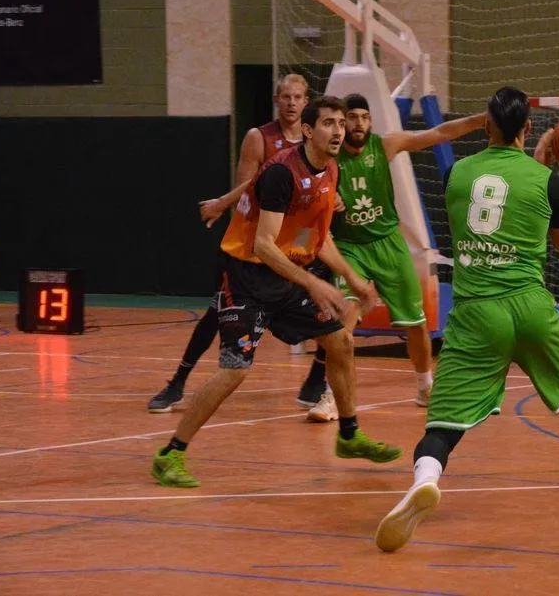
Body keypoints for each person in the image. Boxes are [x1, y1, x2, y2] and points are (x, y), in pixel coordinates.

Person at [374, 87, 559, 553]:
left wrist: (531, 163)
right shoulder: (545, 181)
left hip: (477, 313)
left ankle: (424, 481)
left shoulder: (456, 175)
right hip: (529, 309)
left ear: (487, 124)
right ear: (529, 128)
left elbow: (497, 200)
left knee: (442, 426)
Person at [150, 97, 401, 488]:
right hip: (247, 278)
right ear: (307, 131)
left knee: (340, 341)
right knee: (235, 370)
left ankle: (349, 435)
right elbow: (264, 245)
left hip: (285, 277)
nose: (338, 130)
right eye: (329, 123)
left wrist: (351, 278)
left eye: (340, 123)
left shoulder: (330, 169)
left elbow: (315, 236)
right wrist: (313, 282)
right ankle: (171, 454)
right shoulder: (282, 174)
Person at [146, 74, 336, 412]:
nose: (291, 103)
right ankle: (178, 382)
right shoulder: (259, 138)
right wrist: (223, 202)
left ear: (306, 102)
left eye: (297, 97)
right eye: (285, 97)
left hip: (298, 244)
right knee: (214, 314)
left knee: (331, 308)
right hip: (256, 250)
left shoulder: (321, 144)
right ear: (276, 100)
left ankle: (315, 384)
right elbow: (249, 187)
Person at [304, 93, 486, 421]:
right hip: (350, 248)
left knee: (417, 323)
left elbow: (438, 133)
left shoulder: (384, 145)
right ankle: (331, 396)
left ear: (370, 121)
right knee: (341, 327)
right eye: (351, 119)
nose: (357, 124)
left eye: (363, 118)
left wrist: (480, 120)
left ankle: (425, 387)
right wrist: (330, 202)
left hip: (388, 243)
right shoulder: (327, 156)